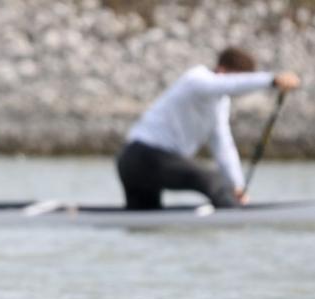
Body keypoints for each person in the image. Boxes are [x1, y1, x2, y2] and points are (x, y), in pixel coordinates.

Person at [116, 47, 300, 210]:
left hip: (138, 163)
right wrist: (272, 80)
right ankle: (236, 221)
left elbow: (223, 147)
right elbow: (230, 84)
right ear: (222, 69)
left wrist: (237, 186)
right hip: (143, 156)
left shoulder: (219, 104)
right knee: (214, 180)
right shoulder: (197, 79)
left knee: (145, 217)